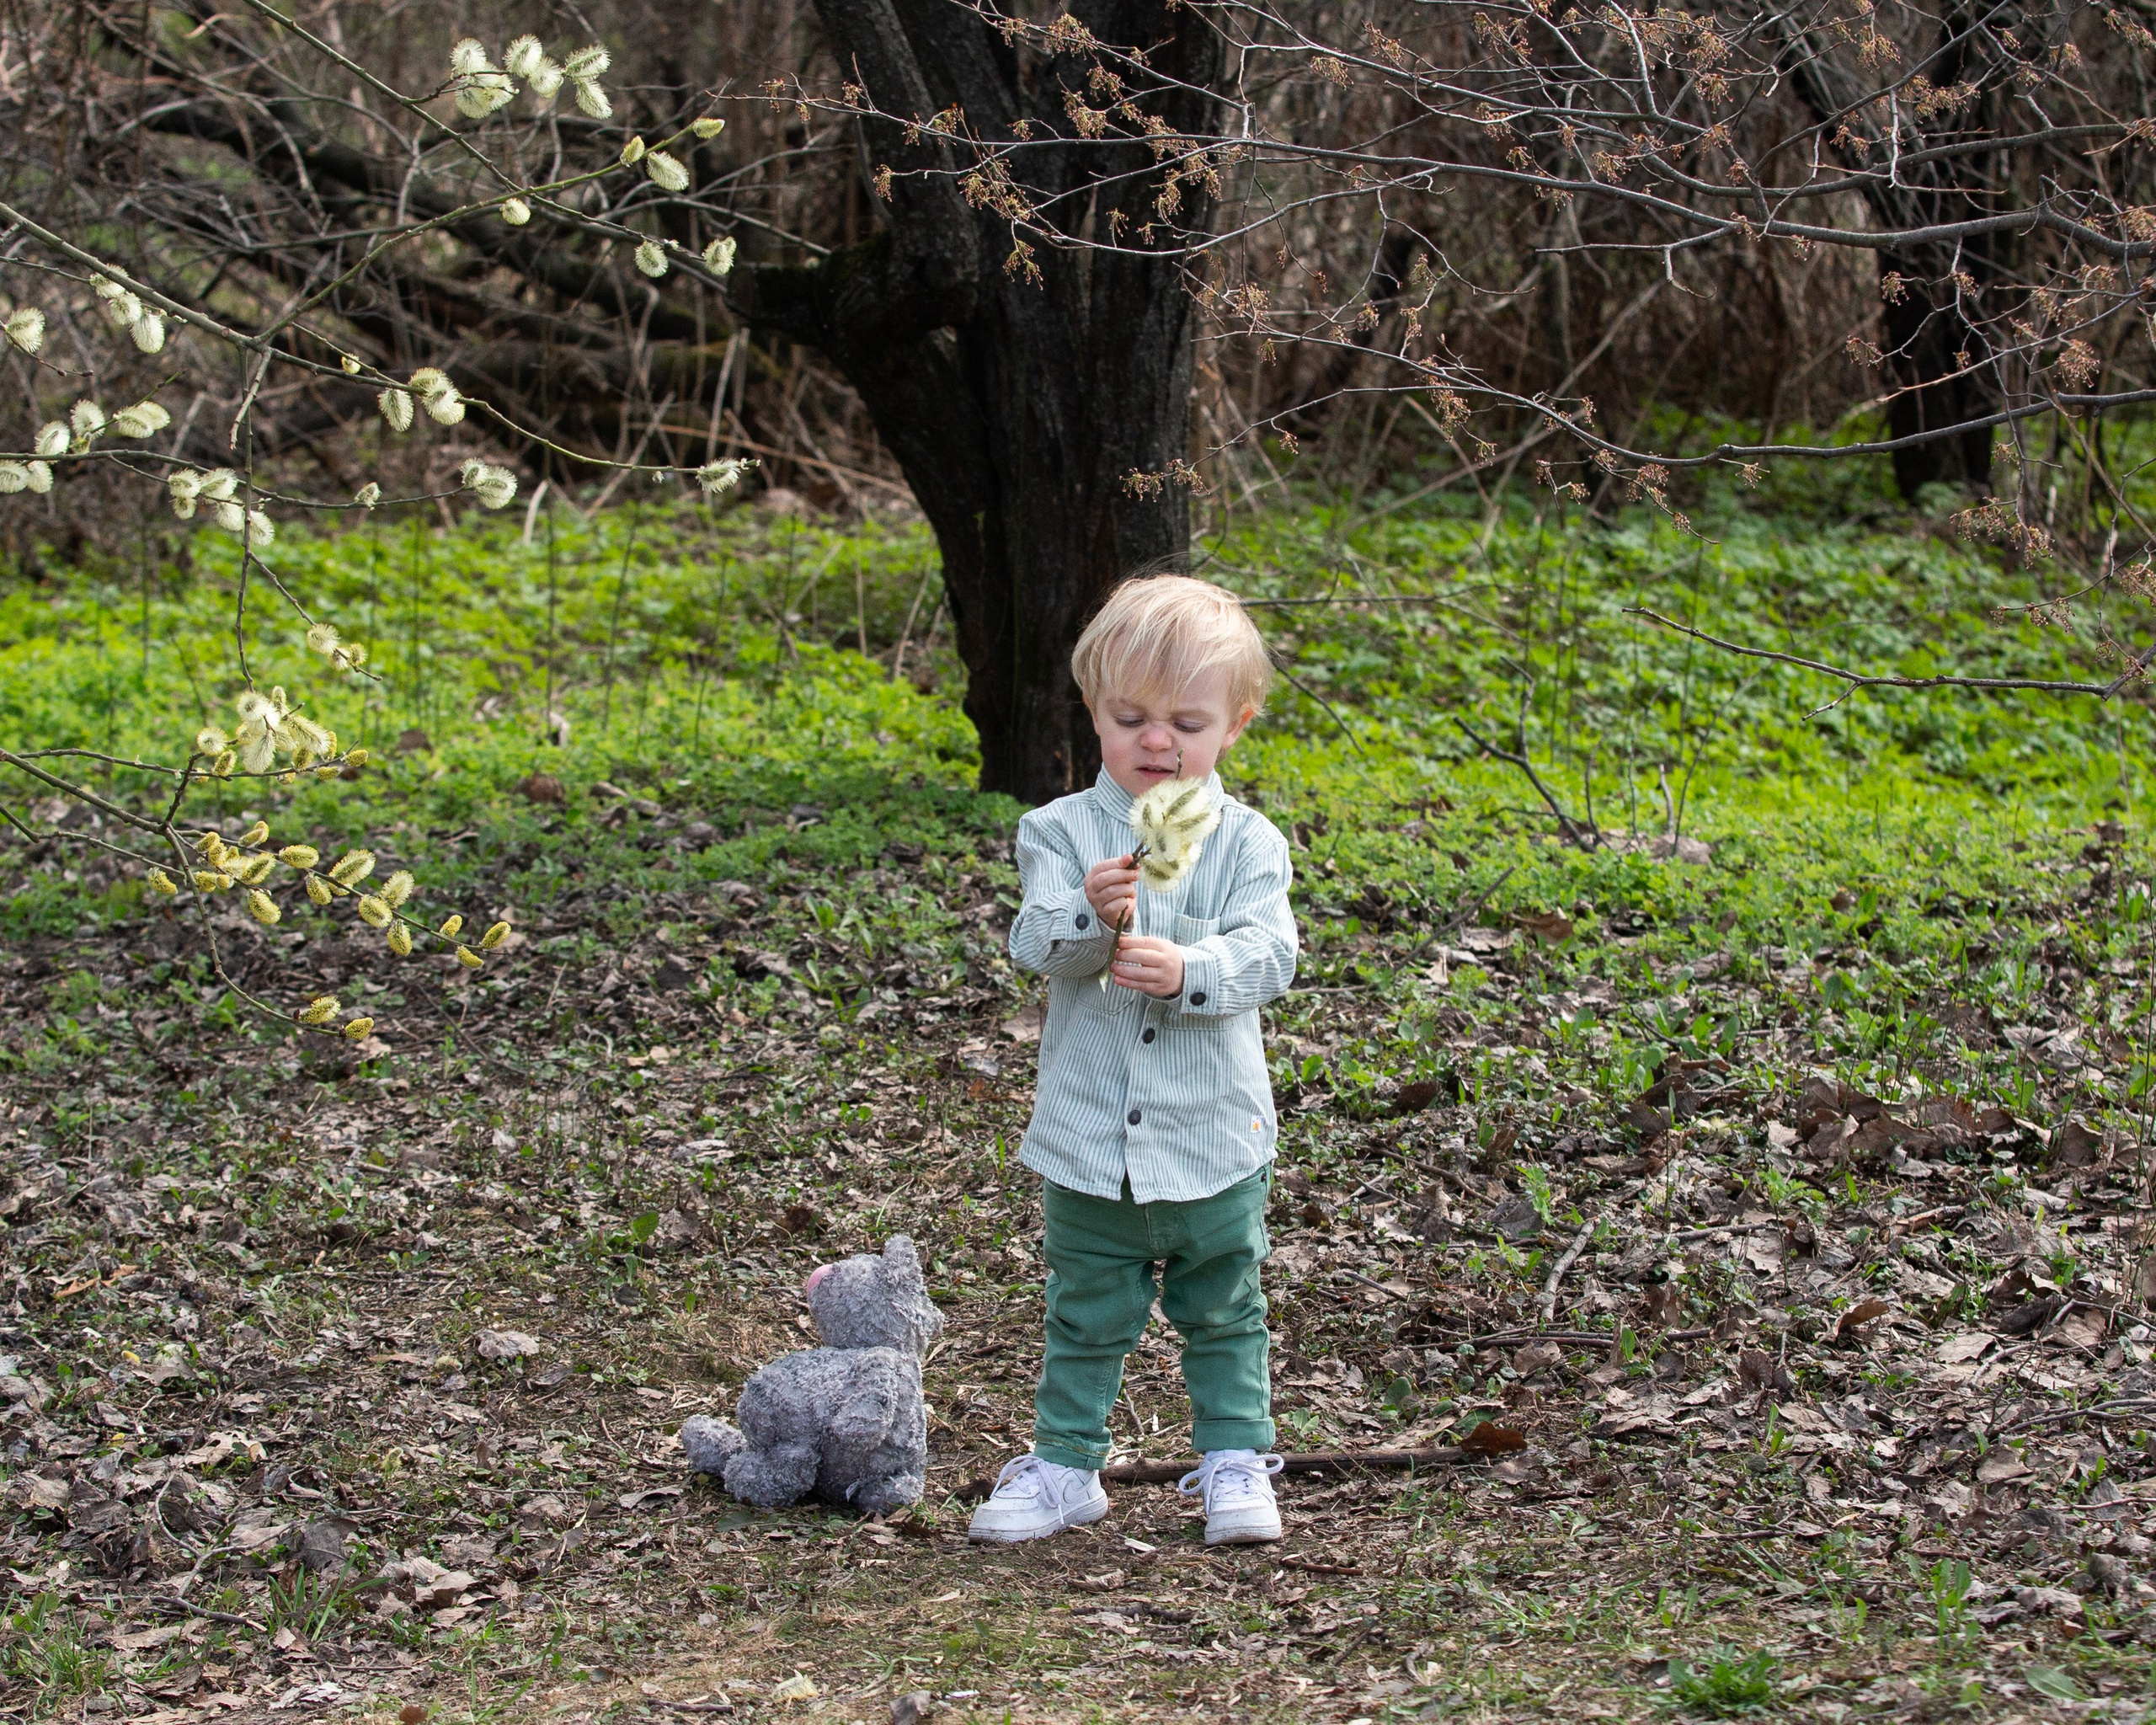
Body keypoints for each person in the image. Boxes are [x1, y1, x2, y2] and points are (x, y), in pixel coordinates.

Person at [969, 574, 1298, 1546]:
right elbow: (1036, 945)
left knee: (1225, 1304)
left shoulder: (1245, 842)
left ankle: (1235, 1458)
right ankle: (1067, 1465)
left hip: (1211, 1133)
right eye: (1131, 717)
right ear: (1094, 712)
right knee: (1085, 1309)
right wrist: (1088, 911)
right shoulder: (1060, 830)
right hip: (1089, 1135)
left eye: (1186, 723)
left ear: (1234, 725)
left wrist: (1191, 966)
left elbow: (1271, 953)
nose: (1158, 741)